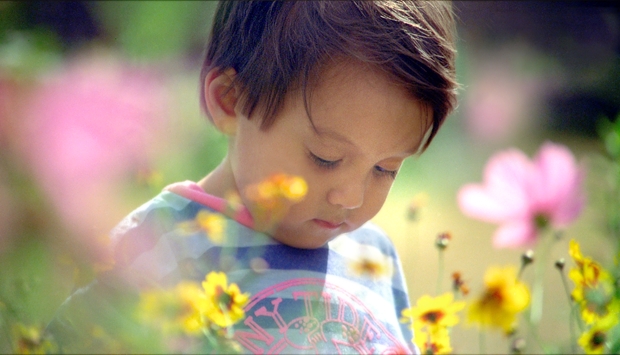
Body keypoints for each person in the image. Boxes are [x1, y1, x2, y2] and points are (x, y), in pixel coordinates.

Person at [47, 1, 458, 354]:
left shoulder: (375, 258)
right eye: (325, 157)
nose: (350, 197)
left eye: (386, 169)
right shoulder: (160, 243)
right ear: (231, 101)